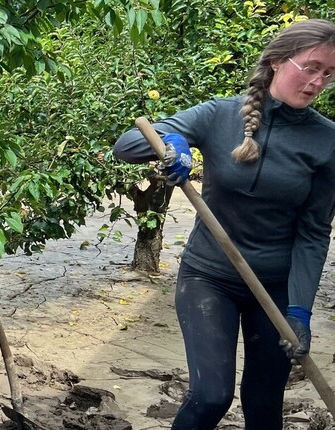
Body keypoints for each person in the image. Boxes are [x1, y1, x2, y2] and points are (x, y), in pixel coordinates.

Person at [113, 19, 335, 429]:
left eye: (328, 73)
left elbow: (314, 233)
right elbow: (125, 146)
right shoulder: (219, 114)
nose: (318, 81)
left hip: (277, 286)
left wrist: (300, 309)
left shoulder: (327, 140)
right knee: (211, 397)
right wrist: (175, 144)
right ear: (275, 62)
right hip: (209, 277)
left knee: (265, 405)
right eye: (311, 67)